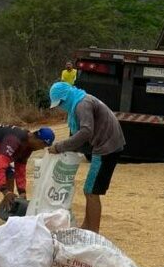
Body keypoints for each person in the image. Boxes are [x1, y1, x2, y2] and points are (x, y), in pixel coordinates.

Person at [47, 82, 125, 233]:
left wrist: (59, 147)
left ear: (66, 97)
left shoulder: (82, 104)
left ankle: (93, 231)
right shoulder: (81, 100)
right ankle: (86, 227)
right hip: (106, 145)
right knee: (89, 190)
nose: (61, 106)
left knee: (92, 191)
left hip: (107, 148)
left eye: (61, 103)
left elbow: (85, 132)